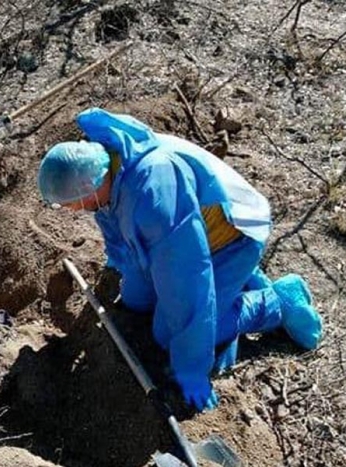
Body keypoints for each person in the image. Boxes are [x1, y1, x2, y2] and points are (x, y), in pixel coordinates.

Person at [37, 107, 323, 411]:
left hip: (233, 236)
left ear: (87, 188)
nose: (69, 210)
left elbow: (187, 282)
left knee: (167, 333)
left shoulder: (155, 194)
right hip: (189, 236)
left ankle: (277, 301)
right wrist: (122, 270)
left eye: (67, 204)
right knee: (136, 300)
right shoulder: (108, 168)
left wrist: (191, 369)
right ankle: (243, 281)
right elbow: (119, 234)